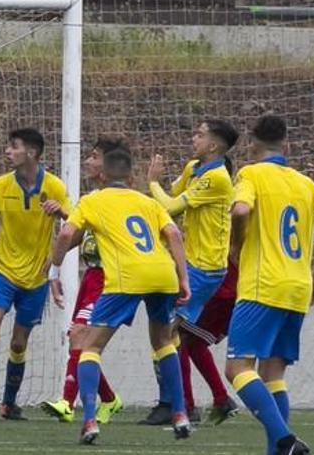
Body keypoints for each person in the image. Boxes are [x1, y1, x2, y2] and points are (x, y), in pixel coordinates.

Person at [49, 147, 192, 444]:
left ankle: (89, 420)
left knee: (91, 346)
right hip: (162, 273)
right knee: (164, 342)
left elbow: (65, 235)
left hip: (126, 277)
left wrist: (54, 270)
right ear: (130, 175)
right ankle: (180, 413)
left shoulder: (93, 200)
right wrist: (183, 278)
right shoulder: (146, 201)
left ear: (103, 173)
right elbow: (175, 235)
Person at [225, 115, 314, 455]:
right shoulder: (305, 183)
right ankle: (278, 451)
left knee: (237, 368)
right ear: (286, 145)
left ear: (252, 144)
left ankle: (286, 440)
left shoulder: (251, 174)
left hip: (263, 286)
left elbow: (241, 210)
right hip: (297, 288)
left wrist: (237, 243)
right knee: (273, 372)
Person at [0, 128, 72, 421]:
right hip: (2, 269)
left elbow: (75, 223)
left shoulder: (55, 187)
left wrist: (61, 212)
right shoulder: (0, 185)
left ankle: (9, 404)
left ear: (31, 153)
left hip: (35, 278)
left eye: (14, 147)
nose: (8, 151)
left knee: (19, 342)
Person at [142, 119, 239, 424]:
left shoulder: (218, 178)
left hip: (206, 269)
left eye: (200, 134)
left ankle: (178, 406)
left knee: (169, 334)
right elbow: (170, 198)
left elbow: (169, 207)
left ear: (214, 145)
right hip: (191, 263)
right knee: (173, 335)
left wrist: (152, 182)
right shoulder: (195, 168)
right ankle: (184, 404)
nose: (193, 138)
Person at [40, 138, 125, 425]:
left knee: (80, 336)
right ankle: (110, 400)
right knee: (84, 342)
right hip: (93, 276)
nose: (88, 161)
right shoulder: (94, 198)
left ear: (108, 165)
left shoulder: (117, 199)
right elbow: (79, 234)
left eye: (94, 156)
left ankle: (67, 402)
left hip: (110, 278)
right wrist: (54, 263)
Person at [178, 260, 239, 424]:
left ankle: (186, 406)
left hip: (217, 286)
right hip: (231, 288)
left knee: (177, 338)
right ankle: (221, 399)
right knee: (195, 344)